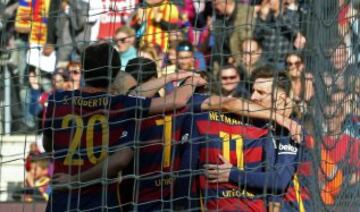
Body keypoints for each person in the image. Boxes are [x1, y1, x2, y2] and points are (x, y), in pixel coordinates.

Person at [44, 42, 206, 212]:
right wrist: (190, 80)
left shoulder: (58, 100)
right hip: (100, 201)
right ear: (116, 72)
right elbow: (177, 101)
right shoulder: (121, 104)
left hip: (61, 201)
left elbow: (49, 146)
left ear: (83, 69)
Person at [202, 66, 314, 211]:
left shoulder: (292, 130)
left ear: (280, 99)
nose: (253, 97)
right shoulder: (270, 125)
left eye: (260, 92)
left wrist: (232, 174)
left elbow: (279, 181)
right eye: (253, 90)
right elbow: (229, 104)